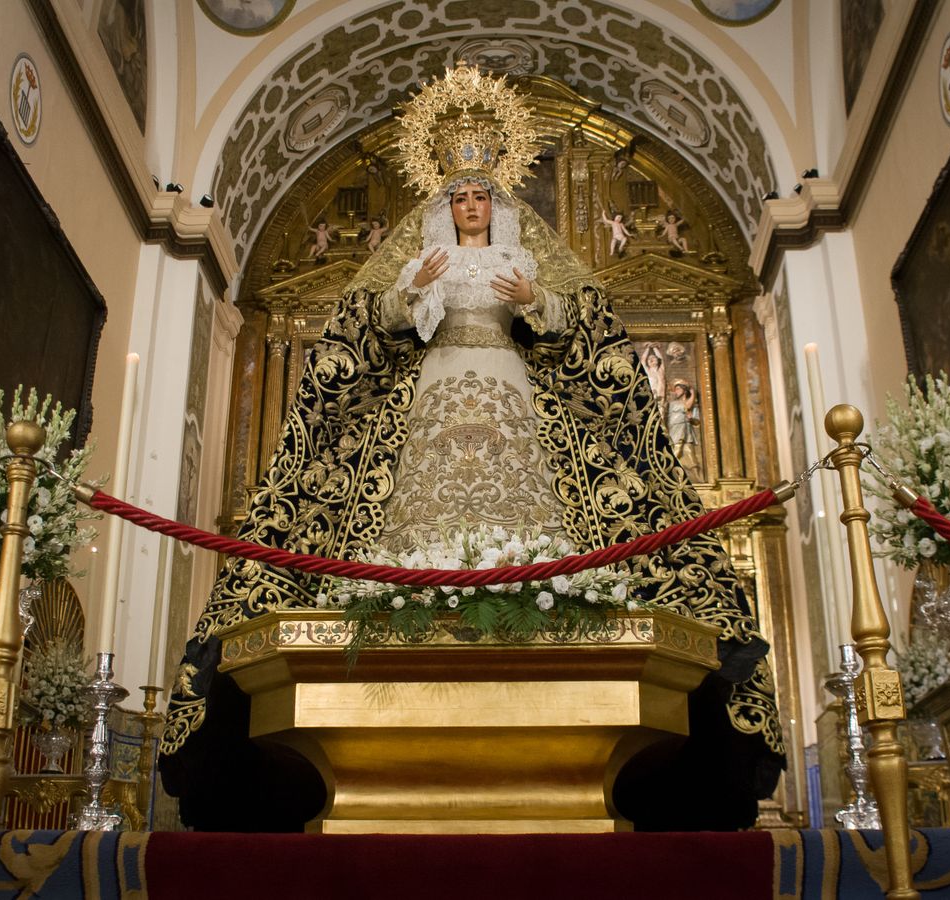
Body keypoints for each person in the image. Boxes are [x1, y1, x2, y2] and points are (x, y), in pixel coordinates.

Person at [159, 64, 783, 833]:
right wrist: (408, 290)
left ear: (498, 202)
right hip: (439, 376)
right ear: (443, 205)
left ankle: (529, 573)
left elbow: (578, 329)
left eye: (481, 195)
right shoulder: (427, 259)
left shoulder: (524, 260)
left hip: (509, 374)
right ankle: (415, 582)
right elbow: (381, 324)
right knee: (424, 487)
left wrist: (537, 303)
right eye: (458, 197)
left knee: (522, 483)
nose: (470, 206)